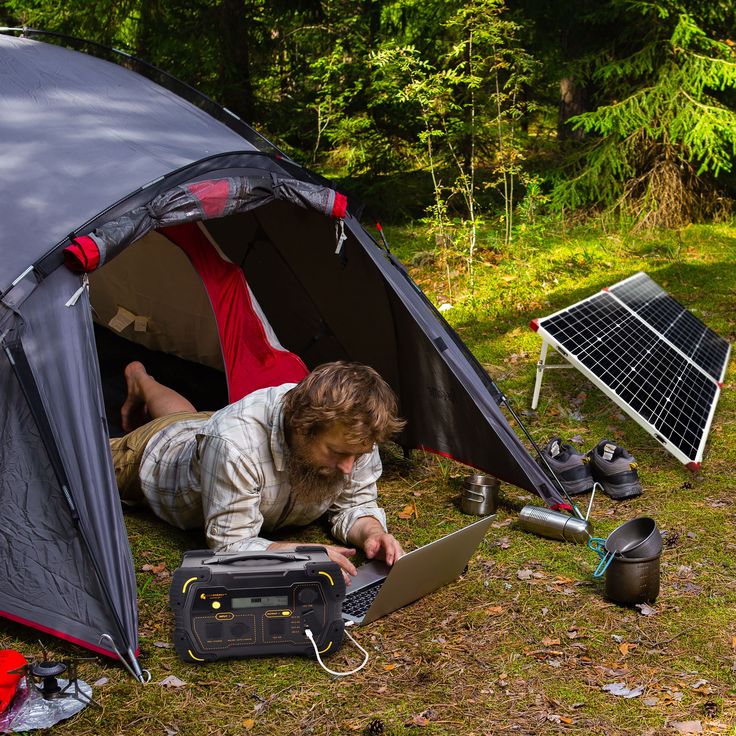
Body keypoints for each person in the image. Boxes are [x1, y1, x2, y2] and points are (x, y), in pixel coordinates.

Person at [109, 360, 406, 582]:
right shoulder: (233, 446)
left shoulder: (353, 432)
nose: (349, 467)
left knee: (188, 418)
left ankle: (142, 380)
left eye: (358, 455)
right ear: (301, 429)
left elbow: (354, 504)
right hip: (154, 455)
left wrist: (372, 533)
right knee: (91, 459)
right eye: (338, 454)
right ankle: (138, 382)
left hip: (206, 431)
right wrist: (303, 555)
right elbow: (231, 546)